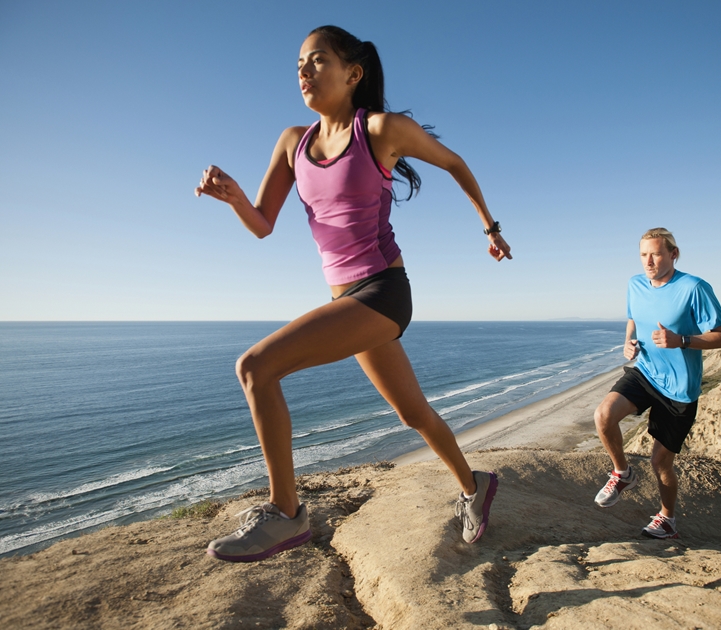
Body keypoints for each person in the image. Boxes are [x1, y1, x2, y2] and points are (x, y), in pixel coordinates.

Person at [194, 25, 511, 562]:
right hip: (350, 303)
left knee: (256, 368)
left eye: (317, 61)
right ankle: (474, 487)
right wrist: (233, 198)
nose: (304, 71)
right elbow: (263, 223)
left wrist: (490, 227)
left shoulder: (382, 130)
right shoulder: (293, 142)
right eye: (299, 63)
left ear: (352, 73)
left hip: (383, 291)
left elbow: (454, 162)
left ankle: (287, 514)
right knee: (413, 414)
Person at [592, 228, 721, 539]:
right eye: (644, 254)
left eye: (655, 253)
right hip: (645, 372)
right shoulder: (635, 283)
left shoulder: (694, 287)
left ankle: (667, 519)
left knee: (660, 463)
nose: (649, 261)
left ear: (673, 254)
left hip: (680, 389)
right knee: (603, 415)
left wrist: (681, 340)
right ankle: (622, 473)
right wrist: (628, 342)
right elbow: (634, 318)